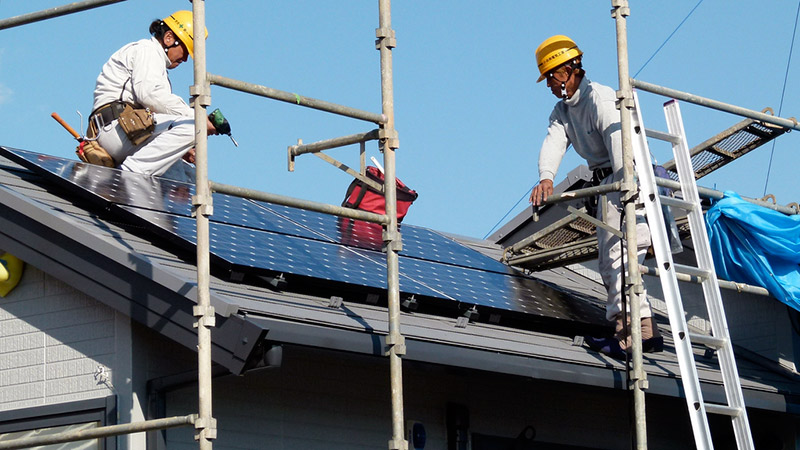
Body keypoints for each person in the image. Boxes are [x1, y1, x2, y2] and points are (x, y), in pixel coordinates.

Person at [528, 35, 662, 358]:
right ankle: (637, 329)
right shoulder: (563, 111)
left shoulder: (601, 100)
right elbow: (554, 142)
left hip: (629, 182)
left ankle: (635, 333)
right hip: (609, 187)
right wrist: (546, 177)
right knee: (609, 261)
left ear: (566, 71)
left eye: (550, 77)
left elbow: (622, 153)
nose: (548, 85)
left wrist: (625, 191)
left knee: (622, 259)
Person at [89, 10, 218, 182]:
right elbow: (150, 95)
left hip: (132, 130)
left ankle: (141, 200)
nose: (186, 59)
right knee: (195, 127)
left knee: (187, 178)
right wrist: (198, 117)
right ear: (169, 38)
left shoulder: (156, 63)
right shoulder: (147, 50)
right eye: (185, 50)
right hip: (116, 129)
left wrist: (178, 147)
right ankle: (128, 176)